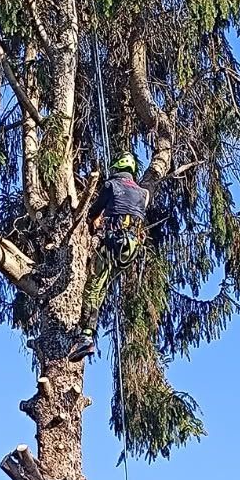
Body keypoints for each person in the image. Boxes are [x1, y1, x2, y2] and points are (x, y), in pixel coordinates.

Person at [69, 153, 150, 362]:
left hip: (112, 243)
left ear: (116, 168)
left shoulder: (110, 185)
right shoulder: (143, 193)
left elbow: (93, 212)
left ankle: (86, 336)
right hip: (130, 249)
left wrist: (93, 224)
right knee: (102, 287)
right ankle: (87, 330)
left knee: (93, 287)